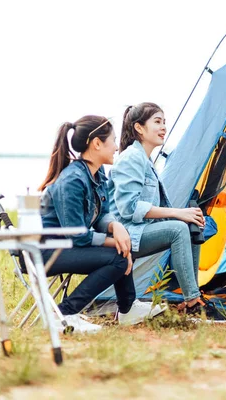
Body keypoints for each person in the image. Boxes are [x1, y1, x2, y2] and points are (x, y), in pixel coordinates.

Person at [39, 115, 165, 333]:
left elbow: (102, 215)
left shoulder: (97, 175)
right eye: (113, 141)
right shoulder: (73, 181)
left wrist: (115, 227)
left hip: (67, 247)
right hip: (47, 251)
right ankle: (65, 313)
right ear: (97, 143)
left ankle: (127, 308)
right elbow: (76, 235)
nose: (117, 147)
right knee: (119, 255)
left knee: (123, 249)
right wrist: (115, 242)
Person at [108, 102, 223, 319]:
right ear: (139, 128)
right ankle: (192, 300)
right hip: (125, 234)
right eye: (157, 122)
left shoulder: (145, 159)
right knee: (178, 228)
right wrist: (177, 214)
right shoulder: (132, 157)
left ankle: (193, 296)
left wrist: (188, 215)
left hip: (140, 230)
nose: (163, 127)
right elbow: (128, 208)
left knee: (191, 224)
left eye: (164, 122)